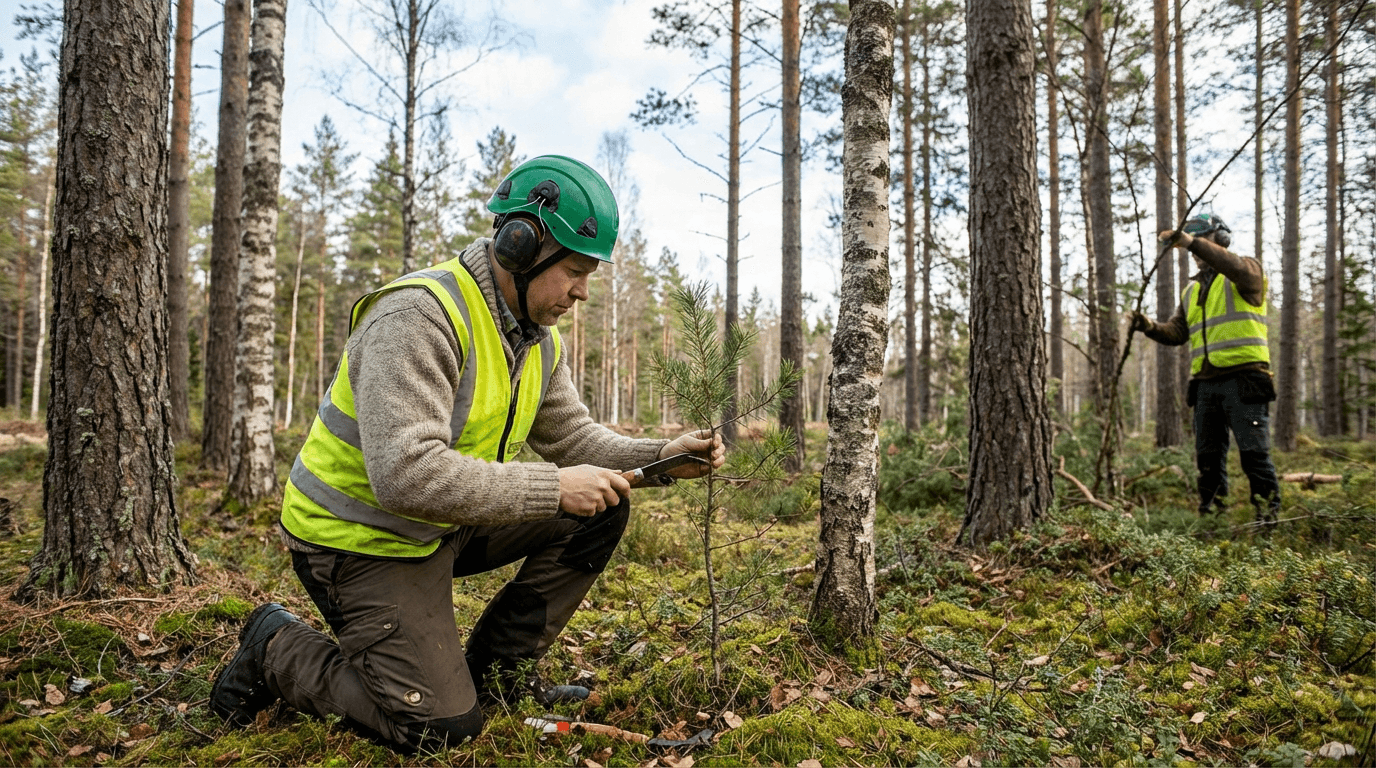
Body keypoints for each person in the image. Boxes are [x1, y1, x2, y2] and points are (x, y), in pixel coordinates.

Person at [209, 155, 725, 752]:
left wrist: (662, 456)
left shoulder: (536, 339)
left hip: (439, 523)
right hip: (355, 540)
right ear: (520, 247)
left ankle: (495, 678)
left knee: (600, 509)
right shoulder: (416, 317)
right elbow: (406, 475)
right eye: (576, 271)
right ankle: (276, 646)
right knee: (438, 731)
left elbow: (575, 440)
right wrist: (553, 487)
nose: (582, 292)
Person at [1131, 213, 1281, 523]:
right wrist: (1148, 326)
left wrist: (1189, 242)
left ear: (1221, 239)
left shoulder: (1246, 272)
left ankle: (1268, 520)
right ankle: (1212, 519)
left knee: (1254, 455)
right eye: (1192, 241)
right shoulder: (1191, 291)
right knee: (1208, 459)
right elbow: (1177, 333)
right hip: (1205, 386)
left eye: (1202, 238)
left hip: (1245, 381)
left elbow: (1234, 265)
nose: (1195, 251)